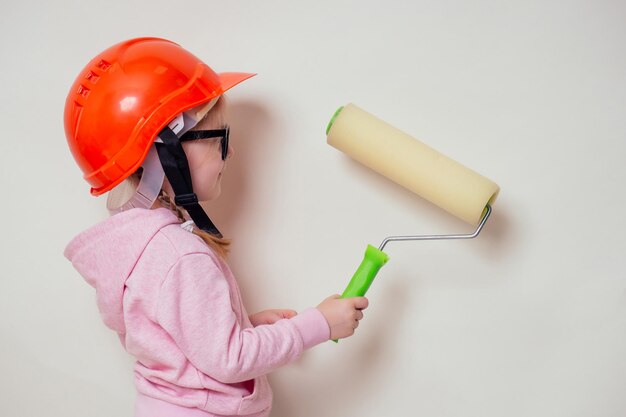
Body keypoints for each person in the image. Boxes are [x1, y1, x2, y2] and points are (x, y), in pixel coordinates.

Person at [63, 37, 368, 417]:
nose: (232, 152)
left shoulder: (140, 248)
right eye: (221, 138)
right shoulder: (179, 256)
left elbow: (180, 343)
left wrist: (242, 324)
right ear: (167, 154)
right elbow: (230, 360)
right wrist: (318, 324)